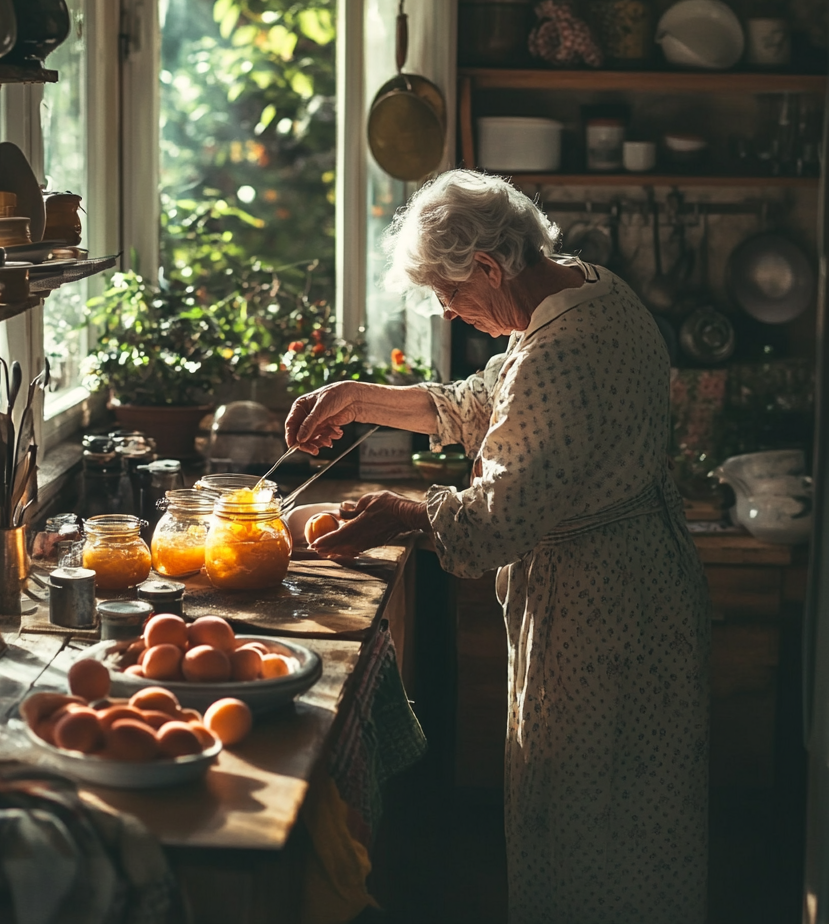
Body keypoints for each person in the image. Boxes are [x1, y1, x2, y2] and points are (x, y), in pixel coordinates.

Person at [284, 170, 709, 924]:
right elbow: (484, 402)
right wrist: (359, 397)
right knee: (646, 808)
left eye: (449, 294)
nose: (450, 312)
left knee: (584, 821)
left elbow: (492, 526)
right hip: (647, 583)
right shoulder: (590, 289)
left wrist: (402, 512)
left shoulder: (560, 352)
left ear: (488, 266)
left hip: (594, 611)